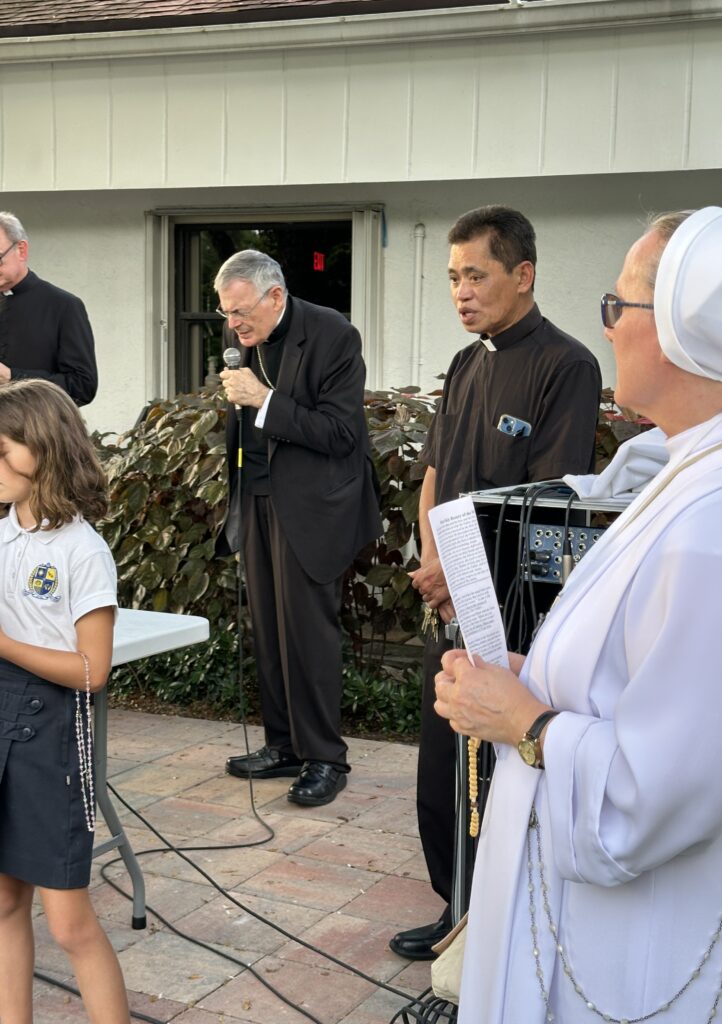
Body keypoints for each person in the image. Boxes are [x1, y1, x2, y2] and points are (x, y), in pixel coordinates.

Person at [435, 206, 722, 1022]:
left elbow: (654, 793)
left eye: (620, 306)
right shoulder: (694, 472)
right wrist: (531, 680)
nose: (610, 327)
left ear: (691, 330)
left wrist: (529, 723)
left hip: (640, 952)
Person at [390, 205, 601, 960]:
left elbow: (545, 502)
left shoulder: (566, 366)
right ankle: (454, 908)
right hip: (449, 598)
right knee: (439, 775)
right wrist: (432, 552)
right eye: (452, 277)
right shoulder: (466, 363)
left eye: (475, 274)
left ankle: (491, 931)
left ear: (523, 274)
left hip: (512, 618)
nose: (461, 291)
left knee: (494, 784)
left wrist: (459, 568)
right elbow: (437, 473)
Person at [216, 250, 382, 807]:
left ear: (276, 297)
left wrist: (264, 402)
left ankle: (325, 758)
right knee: (269, 628)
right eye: (226, 315)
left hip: (313, 505)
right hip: (259, 496)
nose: (234, 325)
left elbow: (341, 434)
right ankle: (284, 745)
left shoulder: (332, 335)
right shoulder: (248, 343)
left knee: (308, 634)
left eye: (241, 312)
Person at [0, 379, 130, 1023]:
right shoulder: (2, 534)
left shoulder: (81, 550)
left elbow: (91, 671)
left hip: (51, 735)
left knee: (70, 922)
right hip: (0, 717)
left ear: (41, 451)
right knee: (2, 903)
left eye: (2, 452)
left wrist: (2, 644)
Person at [0, 211, 97, 406]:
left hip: (33, 432)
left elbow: (82, 386)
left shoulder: (63, 306)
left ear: (21, 250)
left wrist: (13, 377)